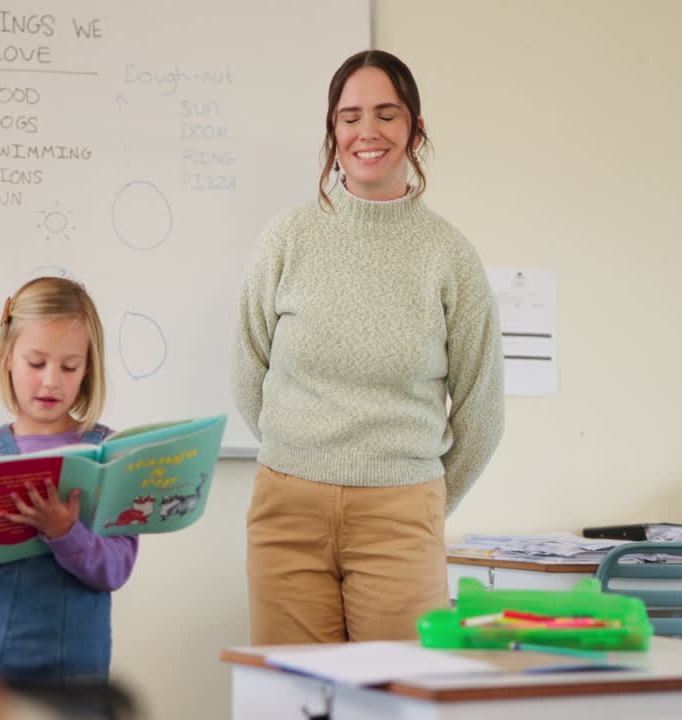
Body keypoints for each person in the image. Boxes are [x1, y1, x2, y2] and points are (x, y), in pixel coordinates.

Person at [233, 49, 505, 644]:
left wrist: (421, 498)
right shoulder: (287, 238)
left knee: (393, 697)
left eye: (386, 114)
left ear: (416, 128)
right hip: (287, 509)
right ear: (332, 131)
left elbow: (483, 411)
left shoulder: (449, 255)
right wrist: (302, 453)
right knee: (294, 696)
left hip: (401, 514)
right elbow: (248, 369)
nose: (367, 132)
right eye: (350, 116)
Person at [0, 276, 138, 683]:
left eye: (69, 366)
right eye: (36, 363)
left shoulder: (108, 452)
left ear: (87, 369)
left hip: (80, 679)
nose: (51, 381)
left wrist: (65, 533)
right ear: (8, 356)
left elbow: (116, 569)